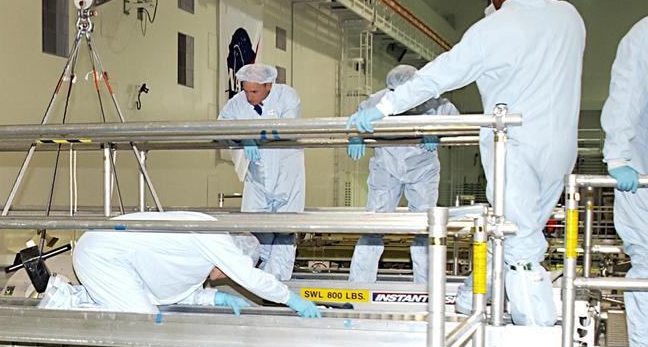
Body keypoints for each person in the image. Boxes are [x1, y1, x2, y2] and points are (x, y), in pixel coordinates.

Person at [347, 0, 585, 325]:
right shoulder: (569, 16)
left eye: (491, 0)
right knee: (515, 226)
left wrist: (385, 108)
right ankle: (469, 296)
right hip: (561, 144)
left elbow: (438, 76)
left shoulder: (496, 27)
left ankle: (535, 329)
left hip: (514, 143)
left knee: (517, 242)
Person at [38, 211, 322, 318]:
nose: (223, 278)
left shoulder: (202, 249)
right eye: (227, 274)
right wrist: (291, 299)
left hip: (109, 255)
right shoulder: (214, 237)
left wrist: (216, 298)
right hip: (103, 254)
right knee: (144, 320)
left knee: (143, 309)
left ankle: (77, 297)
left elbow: (175, 290)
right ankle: (64, 302)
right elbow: (250, 278)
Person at [347, 65, 459, 283]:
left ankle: (426, 287)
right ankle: (359, 285)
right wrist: (355, 137)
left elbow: (458, 123)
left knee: (425, 227)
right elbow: (356, 120)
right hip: (386, 166)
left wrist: (438, 133)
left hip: (422, 170)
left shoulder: (436, 102)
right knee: (373, 225)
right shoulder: (376, 101)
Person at [218, 62, 304, 280]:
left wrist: (252, 134)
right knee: (253, 228)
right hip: (258, 174)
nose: (249, 97)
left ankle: (278, 283)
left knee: (285, 229)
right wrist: (241, 137)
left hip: (287, 172)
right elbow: (220, 125)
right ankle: (252, 279)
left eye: (254, 91)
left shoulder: (287, 96)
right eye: (246, 90)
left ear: (269, 85)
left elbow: (285, 129)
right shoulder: (238, 102)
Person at [600, 17, 648, 347]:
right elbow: (626, 92)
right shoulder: (644, 34)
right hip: (641, 167)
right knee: (646, 261)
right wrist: (617, 157)